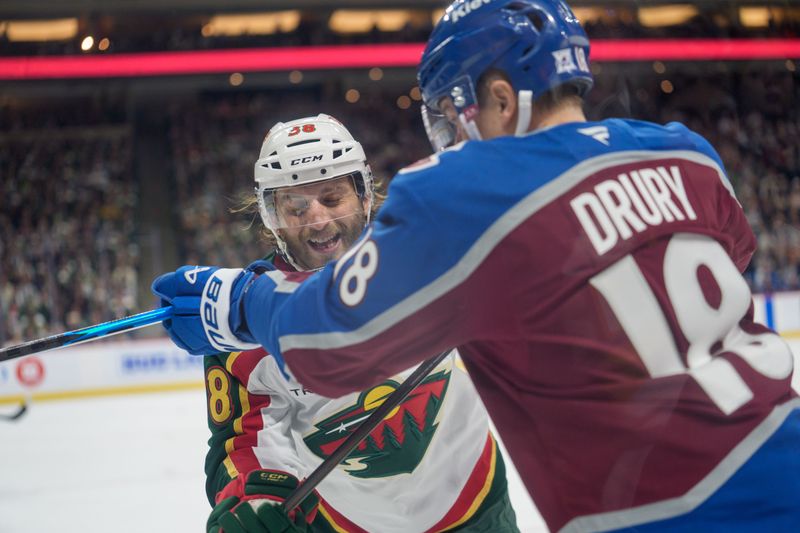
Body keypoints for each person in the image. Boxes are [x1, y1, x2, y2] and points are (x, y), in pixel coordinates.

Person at [153, 1, 800, 532]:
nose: (455, 137)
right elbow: (730, 256)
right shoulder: (689, 152)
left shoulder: (465, 190)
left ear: (499, 97)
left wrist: (234, 301)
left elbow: (327, 343)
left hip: (661, 509)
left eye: (453, 113)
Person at [158, 114, 519, 532]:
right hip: (346, 524)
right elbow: (243, 440)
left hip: (475, 504)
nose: (319, 221)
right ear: (270, 216)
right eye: (295, 207)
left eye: (332, 199)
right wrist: (254, 494)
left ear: (365, 195)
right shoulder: (239, 328)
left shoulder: (433, 251)